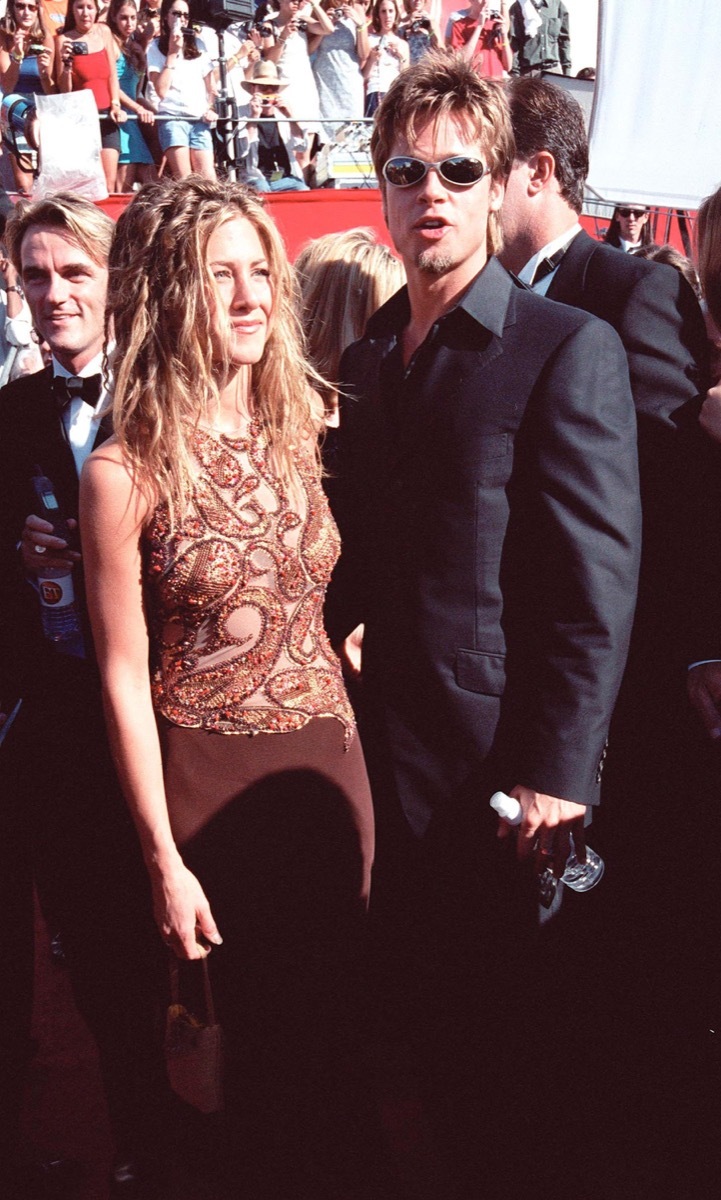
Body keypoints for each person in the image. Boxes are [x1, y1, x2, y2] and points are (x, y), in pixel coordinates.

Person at [325, 49, 640, 1195]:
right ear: (383, 188)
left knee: (525, 1074)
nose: (432, 194)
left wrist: (561, 772)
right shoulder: (368, 362)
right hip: (391, 770)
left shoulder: (567, 349)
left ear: (505, 180)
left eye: (460, 169)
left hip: (506, 782)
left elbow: (593, 588)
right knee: (438, 1059)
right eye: (407, 170)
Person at [80, 176, 380, 1198]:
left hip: (332, 773)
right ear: (170, 293)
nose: (254, 296)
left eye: (263, 272)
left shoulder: (303, 431)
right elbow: (123, 674)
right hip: (211, 797)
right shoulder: (124, 472)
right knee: (252, 1070)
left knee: (343, 1050)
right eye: (223, 277)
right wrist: (163, 858)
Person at [500, 74, 718, 1194]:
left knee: (641, 951)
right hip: (528, 688)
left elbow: (669, 498)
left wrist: (689, 651)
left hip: (634, 698)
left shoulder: (625, 291)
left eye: (479, 164)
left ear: (538, 171)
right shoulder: (473, 305)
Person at [0, 193, 168, 1198]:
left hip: (166, 713)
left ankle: (162, 1130)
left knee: (154, 951)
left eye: (73, 273)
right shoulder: (10, 415)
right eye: (35, 277)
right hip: (55, 723)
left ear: (112, 283)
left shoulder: (166, 400)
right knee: (87, 950)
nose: (54, 294)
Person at [54, 0, 124, 192]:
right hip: (80, 118)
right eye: (80, 7)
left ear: (96, 9)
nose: (85, 13)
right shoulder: (63, 39)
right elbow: (64, 91)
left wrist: (115, 104)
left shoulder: (104, 32)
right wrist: (66, 66)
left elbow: (112, 74)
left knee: (109, 182)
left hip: (106, 116)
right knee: (85, 183)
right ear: (72, 11)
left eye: (89, 7)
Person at [146, 0, 217, 180]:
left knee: (209, 179)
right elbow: (161, 90)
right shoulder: (155, 47)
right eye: (176, 14)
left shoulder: (199, 45)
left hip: (199, 118)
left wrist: (211, 108)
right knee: (185, 180)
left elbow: (211, 86)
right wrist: (172, 53)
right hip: (173, 117)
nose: (182, 19)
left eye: (185, 15)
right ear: (166, 17)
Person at [0, 0, 55, 194]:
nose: (26, 12)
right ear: (11, 8)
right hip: (15, 107)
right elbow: (7, 85)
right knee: (24, 185)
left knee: (47, 179)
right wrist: (17, 55)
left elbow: (51, 90)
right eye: (20, 6)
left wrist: (44, 73)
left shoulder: (45, 36)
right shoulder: (4, 35)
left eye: (31, 7)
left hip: (42, 107)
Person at [107, 0, 157, 192]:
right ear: (114, 18)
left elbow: (136, 91)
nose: (129, 23)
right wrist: (139, 108)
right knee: (123, 188)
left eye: (133, 18)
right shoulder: (110, 42)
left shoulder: (135, 46)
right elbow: (111, 86)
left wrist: (148, 108)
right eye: (123, 18)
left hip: (134, 120)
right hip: (119, 117)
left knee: (153, 184)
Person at [238, 58, 309, 192]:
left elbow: (301, 146)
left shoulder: (283, 114)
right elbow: (241, 151)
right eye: (264, 88)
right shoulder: (242, 113)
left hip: (285, 177)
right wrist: (253, 117)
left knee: (302, 189)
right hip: (256, 178)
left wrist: (290, 116)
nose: (269, 92)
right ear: (254, 89)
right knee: (263, 189)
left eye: (273, 88)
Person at [310, 0, 369, 141]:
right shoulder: (320, 8)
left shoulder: (357, 8)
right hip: (325, 80)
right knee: (328, 133)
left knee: (351, 132)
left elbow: (364, 54)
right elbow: (309, 49)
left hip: (349, 80)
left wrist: (359, 24)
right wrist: (325, 26)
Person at [362, 0, 408, 116]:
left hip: (395, 94)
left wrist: (400, 57)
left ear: (396, 14)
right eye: (383, 11)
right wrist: (372, 59)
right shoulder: (369, 39)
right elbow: (363, 77)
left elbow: (406, 78)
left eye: (391, 11)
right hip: (375, 92)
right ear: (377, 15)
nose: (387, 16)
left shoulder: (402, 44)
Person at [446, 0, 512, 79]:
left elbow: (508, 66)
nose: (486, 1)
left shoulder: (495, 24)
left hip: (496, 84)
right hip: (474, 83)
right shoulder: (459, 25)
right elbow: (462, 60)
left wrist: (504, 35)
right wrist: (479, 27)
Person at [509, 0, 570, 76]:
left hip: (552, 71)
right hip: (528, 73)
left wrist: (567, 71)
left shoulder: (557, 5)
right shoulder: (517, 7)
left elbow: (564, 40)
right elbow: (514, 43)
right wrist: (515, 75)